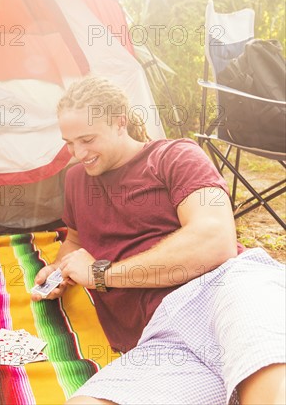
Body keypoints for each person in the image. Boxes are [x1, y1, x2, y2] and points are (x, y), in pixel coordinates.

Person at [31, 76, 286, 404]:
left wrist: (101, 275)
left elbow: (215, 240)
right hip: (161, 338)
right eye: (69, 142)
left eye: (87, 139)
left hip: (225, 291)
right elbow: (77, 240)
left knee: (264, 378)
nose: (78, 153)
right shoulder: (77, 180)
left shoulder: (176, 156)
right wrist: (57, 270)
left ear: (119, 123)